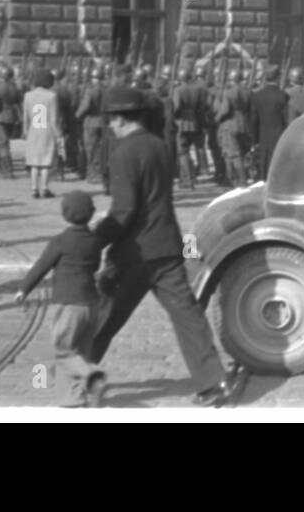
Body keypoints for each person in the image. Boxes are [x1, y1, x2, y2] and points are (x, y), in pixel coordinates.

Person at [86, 87, 242, 407]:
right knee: (188, 316)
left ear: (120, 120)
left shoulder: (122, 153)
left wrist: (96, 238)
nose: (111, 126)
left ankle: (81, 380)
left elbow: (125, 210)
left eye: (113, 121)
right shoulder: (159, 146)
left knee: (103, 316)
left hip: (133, 253)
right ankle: (214, 382)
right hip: (168, 246)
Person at [16, 191, 107, 407]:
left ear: (64, 214)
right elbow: (95, 267)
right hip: (91, 303)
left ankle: (92, 375)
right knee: (82, 351)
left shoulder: (60, 241)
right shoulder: (95, 241)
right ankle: (76, 397)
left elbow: (42, 266)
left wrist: (24, 288)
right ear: (91, 213)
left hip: (67, 303)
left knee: (64, 350)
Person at [23, 68, 62, 199]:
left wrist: (25, 131)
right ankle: (44, 188)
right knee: (46, 163)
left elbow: (26, 116)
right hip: (47, 132)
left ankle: (34, 189)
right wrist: (58, 133)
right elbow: (53, 118)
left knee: (34, 162)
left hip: (33, 131)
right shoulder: (52, 96)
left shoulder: (28, 95)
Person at [248, 67, 289, 180]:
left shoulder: (257, 96)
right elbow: (286, 118)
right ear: (278, 78)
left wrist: (254, 140)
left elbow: (254, 120)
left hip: (263, 134)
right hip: (280, 133)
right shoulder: (283, 96)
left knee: (265, 163)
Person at [0, 66, 22, 179]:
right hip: (11, 117)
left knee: (2, 145)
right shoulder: (14, 88)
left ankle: (6, 171)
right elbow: (18, 103)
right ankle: (6, 169)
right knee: (6, 144)